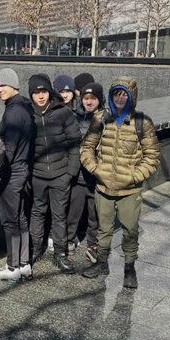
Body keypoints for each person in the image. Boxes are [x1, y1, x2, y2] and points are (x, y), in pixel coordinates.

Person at [80, 77, 160, 288]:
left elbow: (152, 156)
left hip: (130, 191)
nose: (120, 98)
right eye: (116, 94)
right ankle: (101, 263)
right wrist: (96, 169)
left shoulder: (142, 122)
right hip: (103, 186)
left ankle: (129, 267)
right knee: (103, 229)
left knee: (130, 230)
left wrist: (134, 176)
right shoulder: (101, 119)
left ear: (132, 96)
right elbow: (87, 147)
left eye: (124, 94)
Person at [29, 74, 81, 274]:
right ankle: (36, 248)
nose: (40, 96)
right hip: (37, 174)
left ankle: (60, 253)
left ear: (49, 92)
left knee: (59, 215)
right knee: (37, 212)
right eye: (36, 92)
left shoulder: (63, 112)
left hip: (60, 174)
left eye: (43, 91)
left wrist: (70, 172)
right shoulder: (28, 114)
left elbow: (75, 143)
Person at [0, 68, 34, 281]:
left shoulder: (14, 112)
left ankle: (12, 266)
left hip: (12, 173)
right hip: (22, 170)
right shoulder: (23, 107)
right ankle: (24, 263)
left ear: (13, 84)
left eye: (2, 85)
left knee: (10, 221)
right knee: (20, 218)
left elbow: (8, 149)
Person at [66, 82, 104, 261]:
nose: (89, 102)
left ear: (99, 100)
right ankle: (69, 239)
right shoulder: (75, 116)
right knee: (73, 211)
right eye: (86, 98)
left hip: (98, 176)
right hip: (79, 175)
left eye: (93, 98)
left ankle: (92, 243)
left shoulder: (107, 118)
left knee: (94, 214)